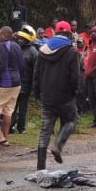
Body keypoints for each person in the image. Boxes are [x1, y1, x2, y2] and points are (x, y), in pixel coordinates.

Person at [33, 20, 81, 170]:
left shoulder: (42, 50)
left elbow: (37, 74)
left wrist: (38, 93)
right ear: (68, 34)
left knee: (45, 130)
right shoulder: (71, 52)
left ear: (55, 32)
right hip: (65, 97)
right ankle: (58, 145)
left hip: (47, 97)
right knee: (71, 121)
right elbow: (75, 77)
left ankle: (40, 167)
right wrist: (74, 92)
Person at [0, 25, 23, 146]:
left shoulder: (2, 46)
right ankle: (5, 138)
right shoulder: (17, 46)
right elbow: (22, 65)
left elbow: (1, 65)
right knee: (8, 111)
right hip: (17, 82)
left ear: (2, 35)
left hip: (5, 82)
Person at [10, 24, 38, 134]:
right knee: (16, 107)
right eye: (20, 38)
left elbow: (36, 71)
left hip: (21, 84)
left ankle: (17, 127)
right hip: (19, 84)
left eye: (22, 39)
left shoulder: (30, 51)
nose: (20, 40)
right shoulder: (32, 51)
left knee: (18, 108)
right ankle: (16, 127)